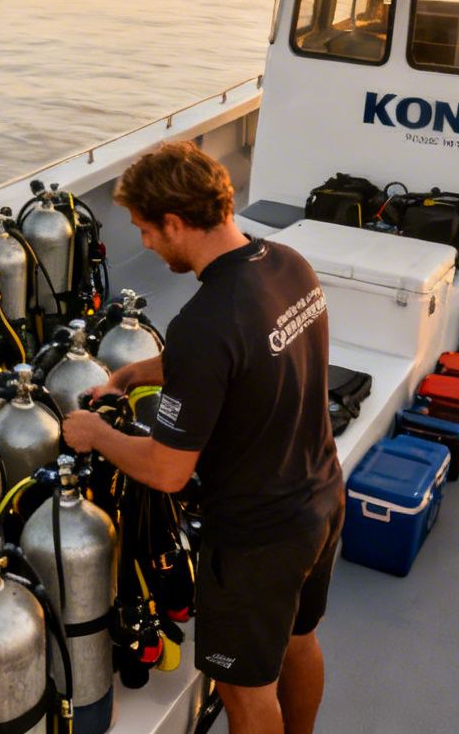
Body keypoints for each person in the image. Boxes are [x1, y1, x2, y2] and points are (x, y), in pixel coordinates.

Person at [62, 141, 342, 734]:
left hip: (256, 538)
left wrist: (92, 432)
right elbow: (253, 354)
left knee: (244, 690)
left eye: (145, 230)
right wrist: (142, 371)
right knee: (298, 640)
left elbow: (167, 470)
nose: (144, 243)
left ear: (175, 222)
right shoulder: (289, 263)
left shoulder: (206, 319)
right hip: (320, 497)